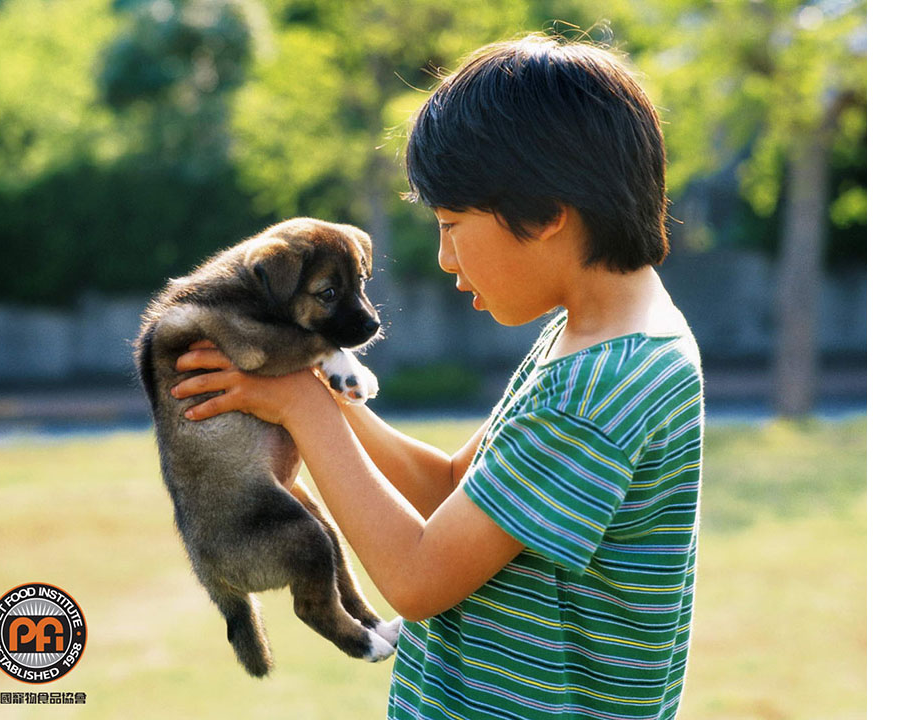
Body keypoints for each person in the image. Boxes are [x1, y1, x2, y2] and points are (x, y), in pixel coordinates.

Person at [171, 33, 704, 720]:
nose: (447, 259)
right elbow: (454, 488)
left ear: (545, 212)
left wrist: (304, 408)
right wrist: (314, 391)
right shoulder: (593, 341)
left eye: (452, 224)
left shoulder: (603, 383)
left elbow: (417, 579)